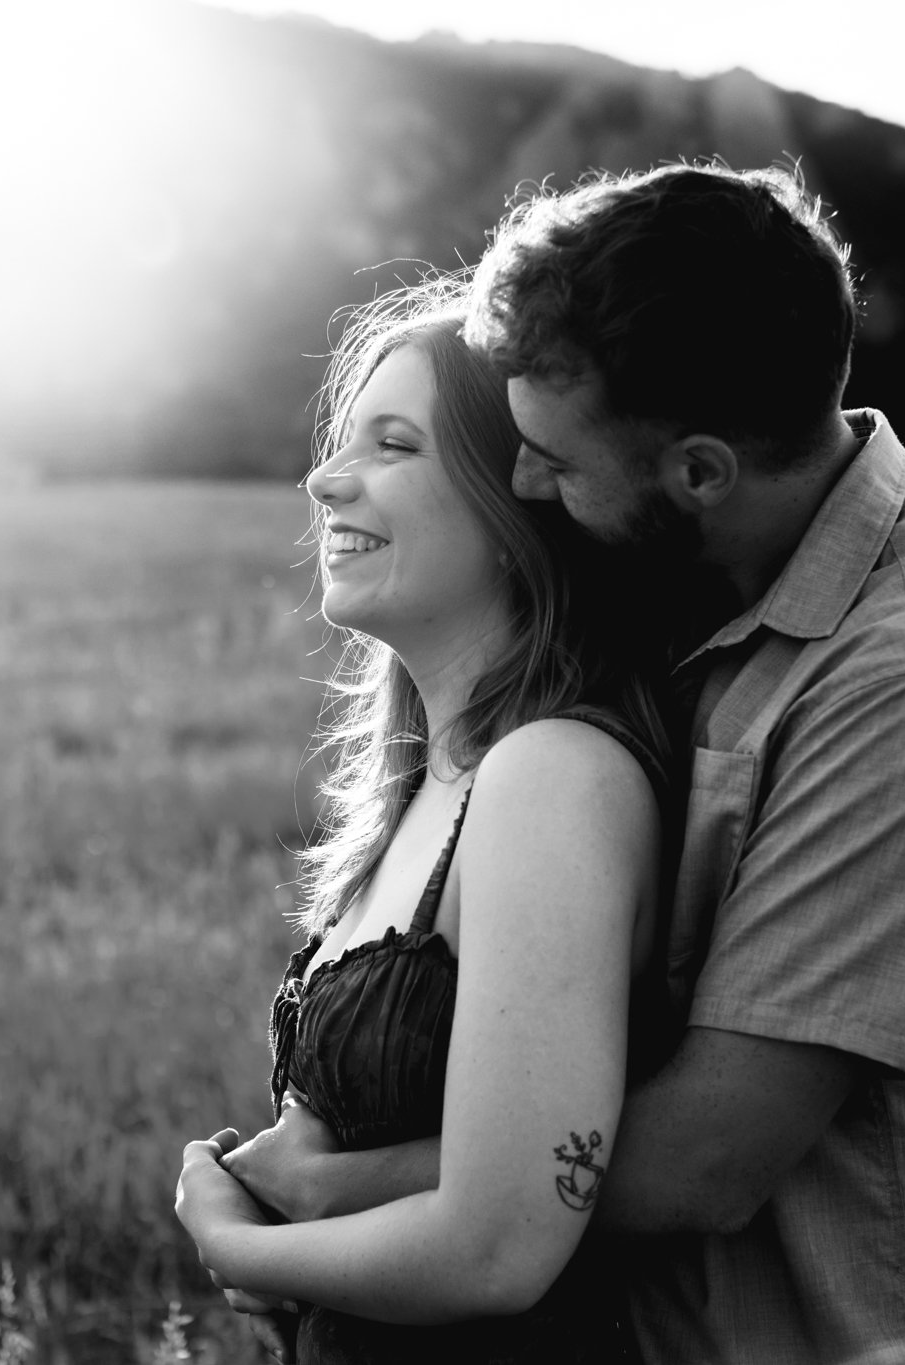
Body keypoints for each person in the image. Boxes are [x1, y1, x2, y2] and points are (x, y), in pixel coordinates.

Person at [214, 163, 905, 1363]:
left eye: (550, 459)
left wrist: (327, 1198)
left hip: (888, 1337)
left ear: (697, 472)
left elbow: (708, 1155)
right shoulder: (687, 583)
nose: (528, 485)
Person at [174, 278, 694, 1363]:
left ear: (515, 509)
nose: (325, 479)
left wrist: (237, 1248)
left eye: (393, 445)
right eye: (339, 441)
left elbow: (499, 1246)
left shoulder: (551, 777)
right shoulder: (430, 782)